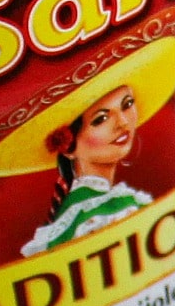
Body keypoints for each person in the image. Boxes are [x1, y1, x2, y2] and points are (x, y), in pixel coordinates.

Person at [20, 80, 154, 255]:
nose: (122, 122)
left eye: (127, 104)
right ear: (68, 147)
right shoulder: (102, 210)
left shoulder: (78, 208)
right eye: (101, 119)